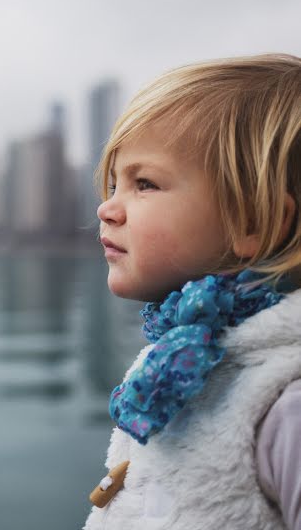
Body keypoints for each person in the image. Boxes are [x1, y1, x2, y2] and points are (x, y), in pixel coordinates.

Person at [83, 54, 301, 530]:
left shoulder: (286, 402)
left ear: (250, 222)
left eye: (144, 184)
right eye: (113, 183)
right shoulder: (185, 355)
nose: (107, 208)